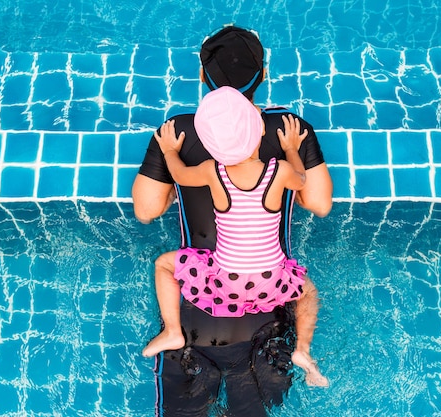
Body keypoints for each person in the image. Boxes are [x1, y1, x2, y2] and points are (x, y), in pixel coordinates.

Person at [132, 25, 333, 416]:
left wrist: (173, 164)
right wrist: (293, 152)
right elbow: (319, 203)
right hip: (271, 311)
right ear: (265, 76)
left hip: (197, 306)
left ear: (204, 77)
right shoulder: (289, 130)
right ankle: (302, 352)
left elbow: (146, 210)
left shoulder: (179, 131)